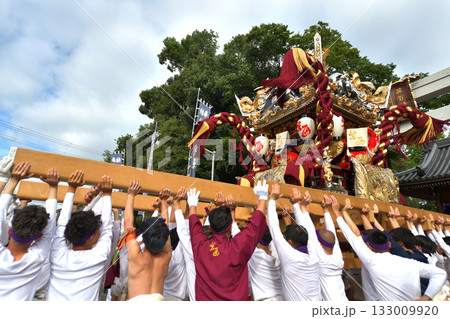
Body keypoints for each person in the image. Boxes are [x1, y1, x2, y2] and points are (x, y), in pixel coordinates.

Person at [332, 198, 446, 301]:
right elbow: (440, 274)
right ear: (390, 244)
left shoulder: (372, 260)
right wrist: (425, 298)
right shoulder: (410, 262)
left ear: (370, 246)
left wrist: (338, 212)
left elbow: (354, 236)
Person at [187, 180, 268, 300]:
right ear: (230, 226)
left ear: (210, 227)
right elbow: (255, 226)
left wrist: (192, 206)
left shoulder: (201, 246)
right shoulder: (237, 246)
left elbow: (195, 228)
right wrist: (262, 197)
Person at [47, 171, 114, 301]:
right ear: (91, 237)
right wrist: (106, 194)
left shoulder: (57, 254)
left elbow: (62, 223)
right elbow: (106, 227)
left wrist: (71, 188)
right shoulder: (97, 256)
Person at [0, 162, 59, 300]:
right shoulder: (36, 258)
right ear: (38, 236)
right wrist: (53, 186)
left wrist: (10, 179)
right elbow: (49, 230)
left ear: (10, 231)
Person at [267, 184, 321, 301]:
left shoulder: (290, 257)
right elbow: (309, 231)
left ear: (290, 243)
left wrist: (272, 200)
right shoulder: (315, 257)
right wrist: (296, 205)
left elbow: (274, 230)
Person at [122, 180, 171, 301]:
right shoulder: (166, 257)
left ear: (143, 237)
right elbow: (166, 229)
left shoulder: (136, 256)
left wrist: (130, 195)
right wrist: (164, 201)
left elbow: (128, 225)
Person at [293, 193, 348, 301]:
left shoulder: (321, 259)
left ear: (321, 244)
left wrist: (302, 207)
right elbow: (333, 235)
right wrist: (326, 210)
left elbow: (308, 232)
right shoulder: (338, 257)